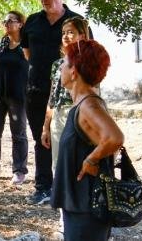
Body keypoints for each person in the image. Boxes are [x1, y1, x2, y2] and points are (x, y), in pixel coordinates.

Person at [50, 39, 123, 241]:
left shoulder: (88, 105)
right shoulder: (84, 103)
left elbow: (115, 137)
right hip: (81, 204)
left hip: (87, 207)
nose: (61, 68)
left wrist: (91, 159)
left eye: (64, 63)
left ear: (74, 72)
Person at [21, 0, 85, 205]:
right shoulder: (32, 22)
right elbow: (27, 52)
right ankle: (43, 187)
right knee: (42, 138)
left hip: (70, 95)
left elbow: (88, 53)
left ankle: (72, 186)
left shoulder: (76, 22)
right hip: (36, 90)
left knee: (71, 140)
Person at [41, 16, 91, 236]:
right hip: (59, 118)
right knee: (58, 167)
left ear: (82, 34)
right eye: (64, 32)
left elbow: (93, 92)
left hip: (80, 114)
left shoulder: (89, 59)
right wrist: (46, 126)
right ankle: (65, 220)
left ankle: (89, 215)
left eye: (71, 31)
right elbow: (52, 97)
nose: (66, 36)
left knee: (81, 166)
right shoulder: (56, 64)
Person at [0, 11, 30, 186]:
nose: (6, 24)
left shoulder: (26, 45)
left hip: (18, 96)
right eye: (5, 21)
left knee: (19, 134)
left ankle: (19, 171)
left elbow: (34, 68)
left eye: (10, 21)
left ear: (20, 24)